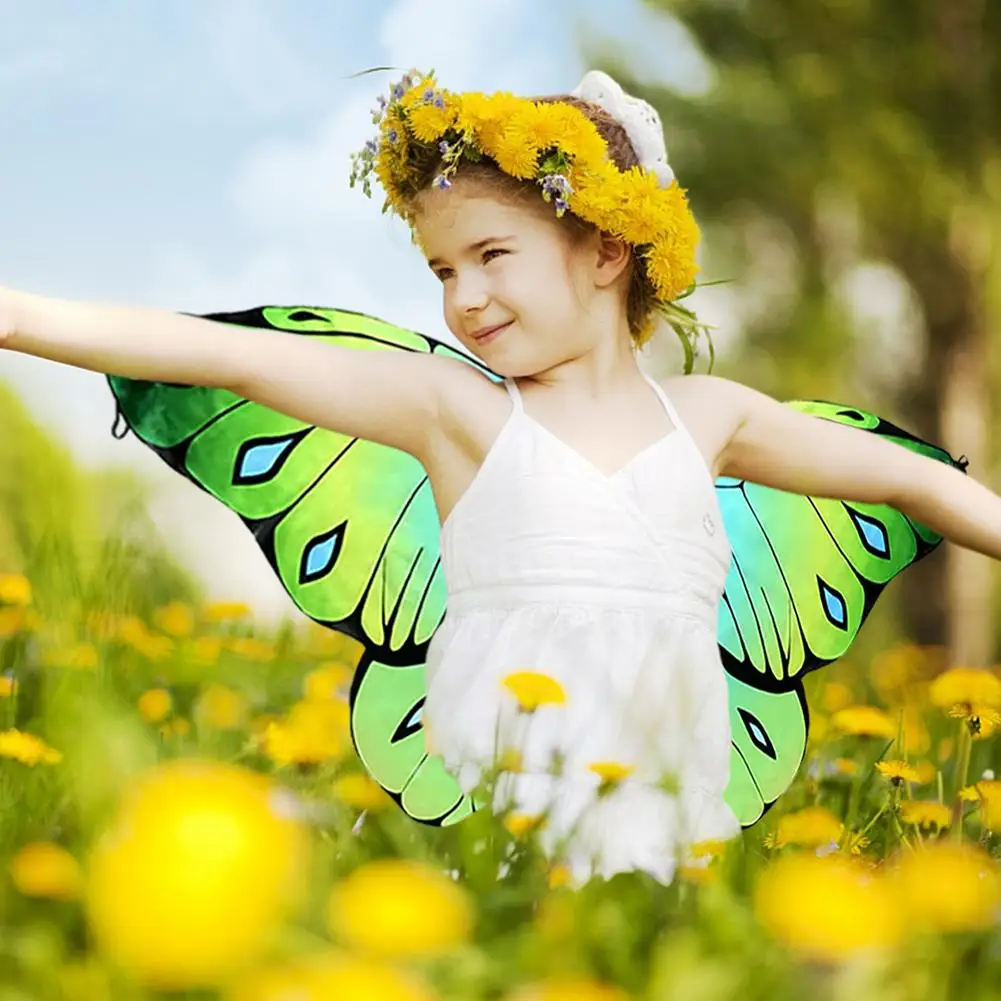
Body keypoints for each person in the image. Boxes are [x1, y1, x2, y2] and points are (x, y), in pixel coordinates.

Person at [3, 69, 1000, 886]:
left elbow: (906, 477)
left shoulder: (706, 419)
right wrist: (17, 315)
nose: (464, 296)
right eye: (442, 270)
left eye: (489, 255)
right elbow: (232, 356)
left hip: (671, 837)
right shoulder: (460, 413)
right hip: (498, 832)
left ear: (606, 250)